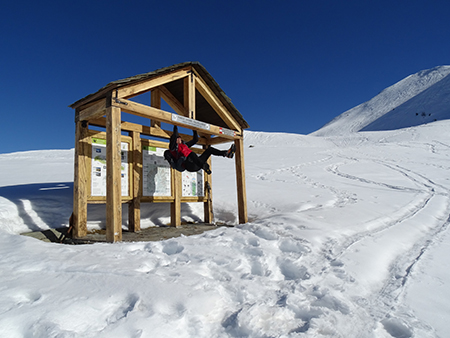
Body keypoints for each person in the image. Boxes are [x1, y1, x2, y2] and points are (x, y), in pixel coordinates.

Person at [164, 125, 235, 174]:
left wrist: (194, 130)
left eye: (180, 137)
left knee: (209, 149)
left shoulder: (185, 145)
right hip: (190, 166)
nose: (179, 138)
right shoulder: (173, 148)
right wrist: (175, 125)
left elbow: (195, 140)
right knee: (191, 154)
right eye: (178, 138)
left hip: (197, 164)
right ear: (174, 140)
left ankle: (226, 153)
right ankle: (204, 166)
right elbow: (175, 135)